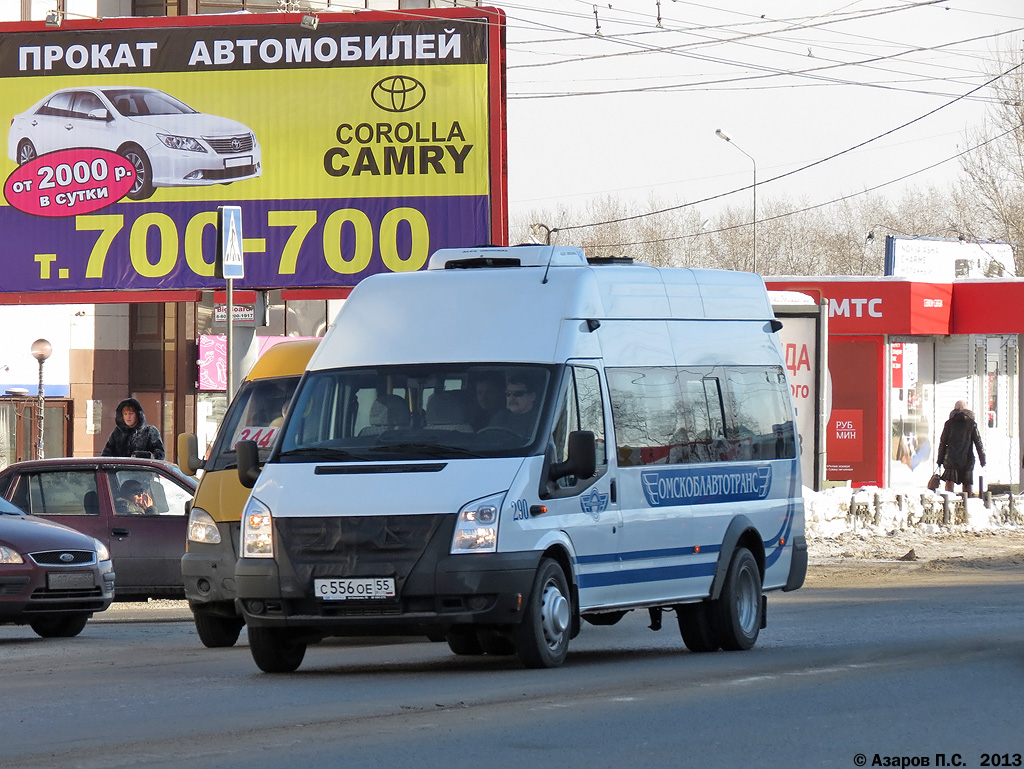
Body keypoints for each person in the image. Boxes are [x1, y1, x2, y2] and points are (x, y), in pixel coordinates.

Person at [937, 400, 986, 496]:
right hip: (967, 459)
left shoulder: (949, 424)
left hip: (951, 459)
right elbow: (978, 443)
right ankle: (966, 504)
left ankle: (949, 503)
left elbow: (943, 443)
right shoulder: (971, 424)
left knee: (949, 485)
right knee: (967, 485)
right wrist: (982, 459)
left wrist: (940, 460)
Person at [487, 371, 542, 437]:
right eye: (508, 394)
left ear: (532, 396)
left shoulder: (540, 420)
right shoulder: (499, 418)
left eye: (518, 394)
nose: (511, 398)